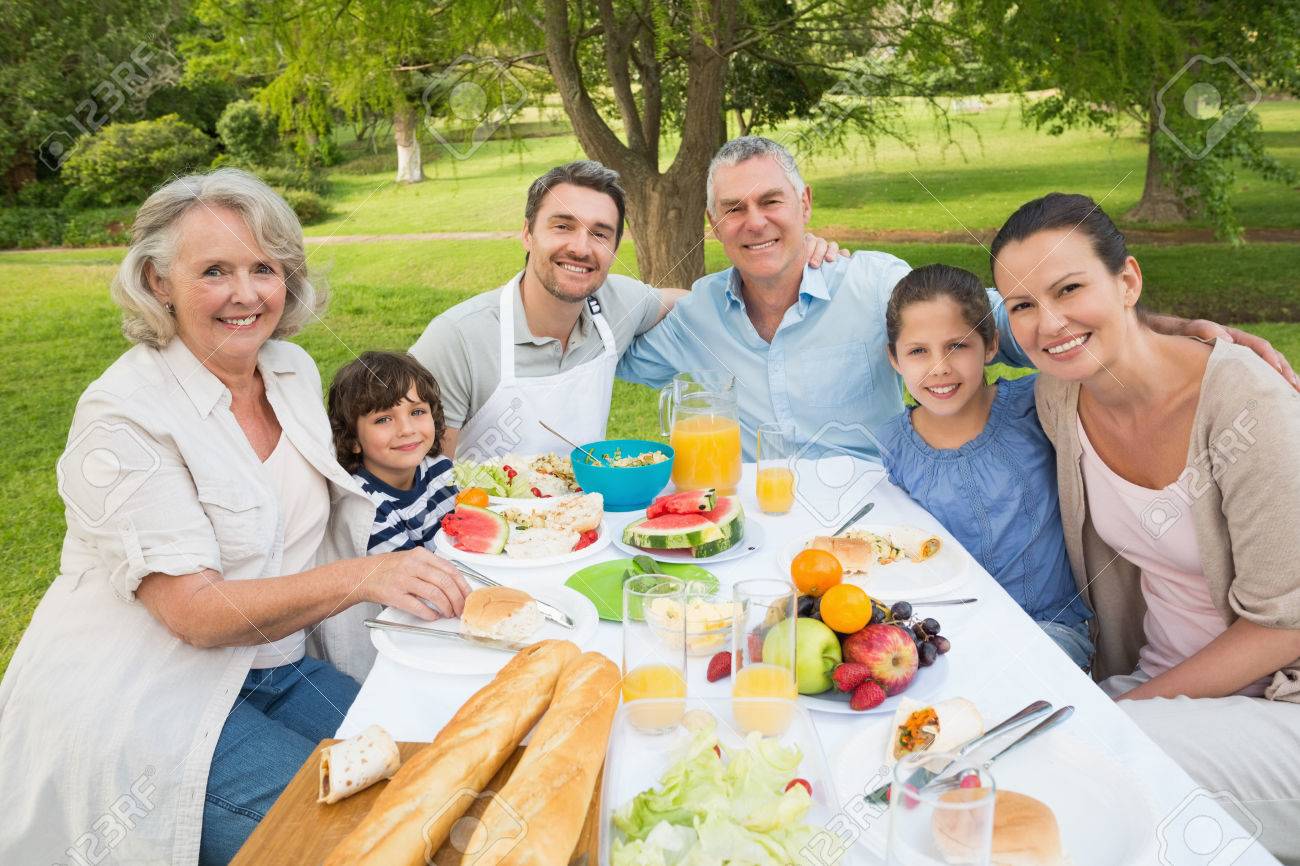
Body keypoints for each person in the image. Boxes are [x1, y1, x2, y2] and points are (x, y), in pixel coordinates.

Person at [0, 169, 470, 866]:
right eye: (214, 271)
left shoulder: (290, 371)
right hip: (152, 697)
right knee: (356, 840)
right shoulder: (122, 416)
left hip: (276, 669)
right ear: (159, 282)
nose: (246, 294)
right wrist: (366, 576)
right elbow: (194, 612)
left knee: (440, 776)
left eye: (263, 267)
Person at [617, 136, 1297, 461]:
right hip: (756, 526)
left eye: (771, 201)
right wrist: (652, 294)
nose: (754, 222)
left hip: (879, 519)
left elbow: (1018, 323)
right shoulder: (701, 313)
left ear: (804, 204)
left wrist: (1179, 333)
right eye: (733, 209)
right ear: (714, 225)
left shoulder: (876, 282)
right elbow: (606, 353)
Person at [991, 192, 1300, 862]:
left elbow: (1286, 624)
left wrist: (1117, 716)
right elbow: (941, 326)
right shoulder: (1060, 392)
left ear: (1127, 280)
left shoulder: (1249, 406)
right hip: (1156, 687)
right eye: (1022, 305)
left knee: (1079, 782)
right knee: (989, 750)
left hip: (1279, 709)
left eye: (1070, 287)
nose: (1048, 322)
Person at [409, 159, 843, 460]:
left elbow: (690, 301)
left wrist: (791, 265)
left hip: (582, 533)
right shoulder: (458, 339)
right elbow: (418, 479)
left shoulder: (615, 303)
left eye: (600, 234)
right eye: (562, 226)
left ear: (615, 248)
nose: (580, 247)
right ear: (527, 233)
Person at [876, 264, 1093, 667]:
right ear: (895, 358)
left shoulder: (1037, 403)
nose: (939, 367)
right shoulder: (892, 447)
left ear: (990, 345)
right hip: (946, 636)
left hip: (1048, 628)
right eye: (918, 351)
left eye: (957, 345)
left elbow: (1115, 366)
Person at [328, 351, 459, 556]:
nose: (407, 430)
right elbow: (411, 580)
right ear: (352, 439)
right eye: (383, 419)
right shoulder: (366, 508)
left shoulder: (438, 468)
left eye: (417, 412)